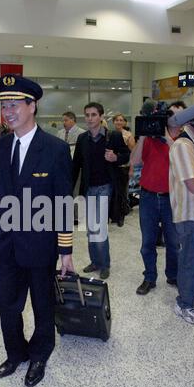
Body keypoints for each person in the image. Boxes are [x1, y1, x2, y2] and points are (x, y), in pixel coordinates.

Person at [0, 74, 74, 387]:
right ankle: (16, 352)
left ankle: (39, 354)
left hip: (41, 244)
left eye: (14, 104)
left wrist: (66, 250)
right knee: (6, 303)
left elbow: (62, 202)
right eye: (4, 104)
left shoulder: (55, 149)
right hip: (7, 244)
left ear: (32, 106)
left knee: (43, 306)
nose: (7, 111)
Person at [131, 101, 186, 295]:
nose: (173, 118)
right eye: (171, 113)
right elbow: (135, 161)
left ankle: (173, 275)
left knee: (173, 242)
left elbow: (181, 159)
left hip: (172, 198)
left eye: (178, 115)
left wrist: (165, 138)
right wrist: (144, 135)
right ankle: (149, 277)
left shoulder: (185, 139)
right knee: (147, 242)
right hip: (148, 197)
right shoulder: (151, 138)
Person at [73, 102, 130, 280]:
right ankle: (95, 262)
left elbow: (126, 155)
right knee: (90, 228)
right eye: (87, 115)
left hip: (106, 186)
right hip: (88, 187)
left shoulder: (113, 136)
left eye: (93, 115)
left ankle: (104, 264)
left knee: (99, 227)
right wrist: (67, 187)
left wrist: (116, 157)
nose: (90, 118)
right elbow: (76, 165)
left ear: (101, 117)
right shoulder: (83, 139)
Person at [169, 121, 194, 324]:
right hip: (188, 213)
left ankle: (193, 294)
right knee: (190, 261)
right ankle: (184, 303)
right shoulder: (183, 145)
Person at [110, 113, 136, 227]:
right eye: (117, 120)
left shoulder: (128, 135)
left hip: (124, 168)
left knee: (122, 193)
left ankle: (121, 216)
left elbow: (133, 154)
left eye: (121, 120)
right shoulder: (110, 134)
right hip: (112, 168)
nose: (119, 122)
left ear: (125, 122)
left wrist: (132, 169)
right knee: (113, 192)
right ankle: (113, 215)